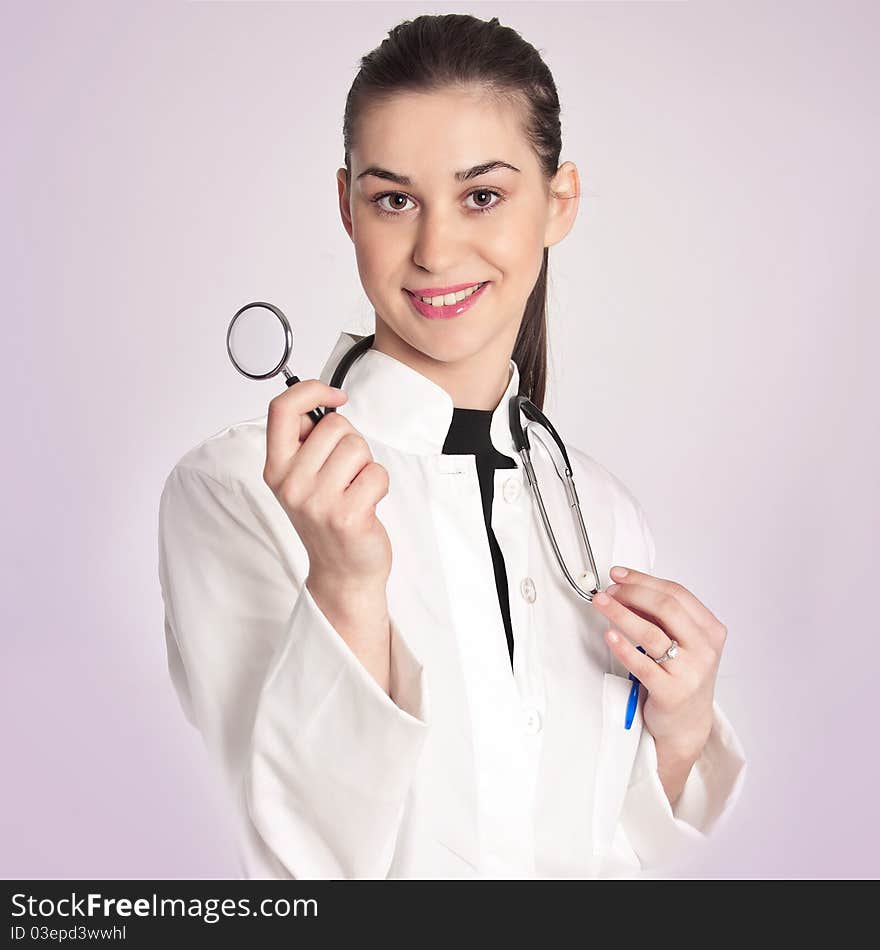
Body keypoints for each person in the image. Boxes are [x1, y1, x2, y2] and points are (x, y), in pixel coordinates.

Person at [157, 13, 747, 880]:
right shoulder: (236, 492)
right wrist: (346, 587)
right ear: (347, 207)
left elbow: (609, 860)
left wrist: (682, 730)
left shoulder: (604, 516)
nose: (435, 249)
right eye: (394, 199)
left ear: (559, 202)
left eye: (482, 195)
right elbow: (296, 870)